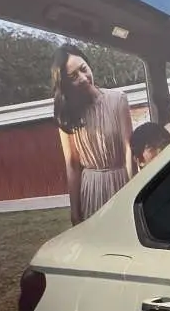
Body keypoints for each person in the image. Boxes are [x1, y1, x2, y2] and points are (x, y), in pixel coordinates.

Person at [53, 46, 135, 224]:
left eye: (84, 69)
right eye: (73, 77)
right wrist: (75, 211)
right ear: (65, 83)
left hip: (121, 182)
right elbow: (72, 165)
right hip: (91, 189)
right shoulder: (67, 114)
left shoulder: (118, 100)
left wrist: (134, 193)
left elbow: (129, 149)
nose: (83, 78)